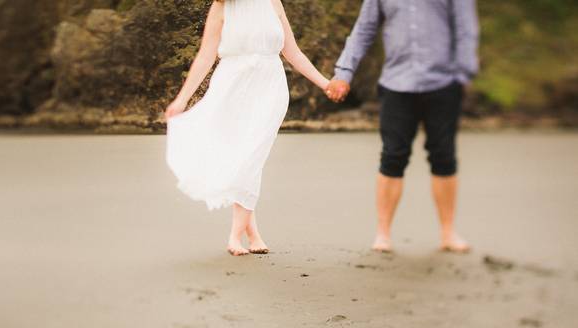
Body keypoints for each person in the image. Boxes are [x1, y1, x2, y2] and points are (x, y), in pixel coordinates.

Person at [164, 0, 332, 256]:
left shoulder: (273, 2)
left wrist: (325, 84)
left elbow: (293, 53)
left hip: (269, 89)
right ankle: (250, 233)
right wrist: (182, 99)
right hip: (232, 89)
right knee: (242, 157)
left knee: (252, 156)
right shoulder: (222, 7)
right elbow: (206, 55)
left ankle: (235, 235)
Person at [325, 0, 480, 253]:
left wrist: (463, 74)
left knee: (444, 157)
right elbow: (364, 30)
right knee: (392, 156)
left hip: (443, 83)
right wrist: (344, 72)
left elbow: (465, 29)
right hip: (397, 84)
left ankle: (448, 233)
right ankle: (383, 234)